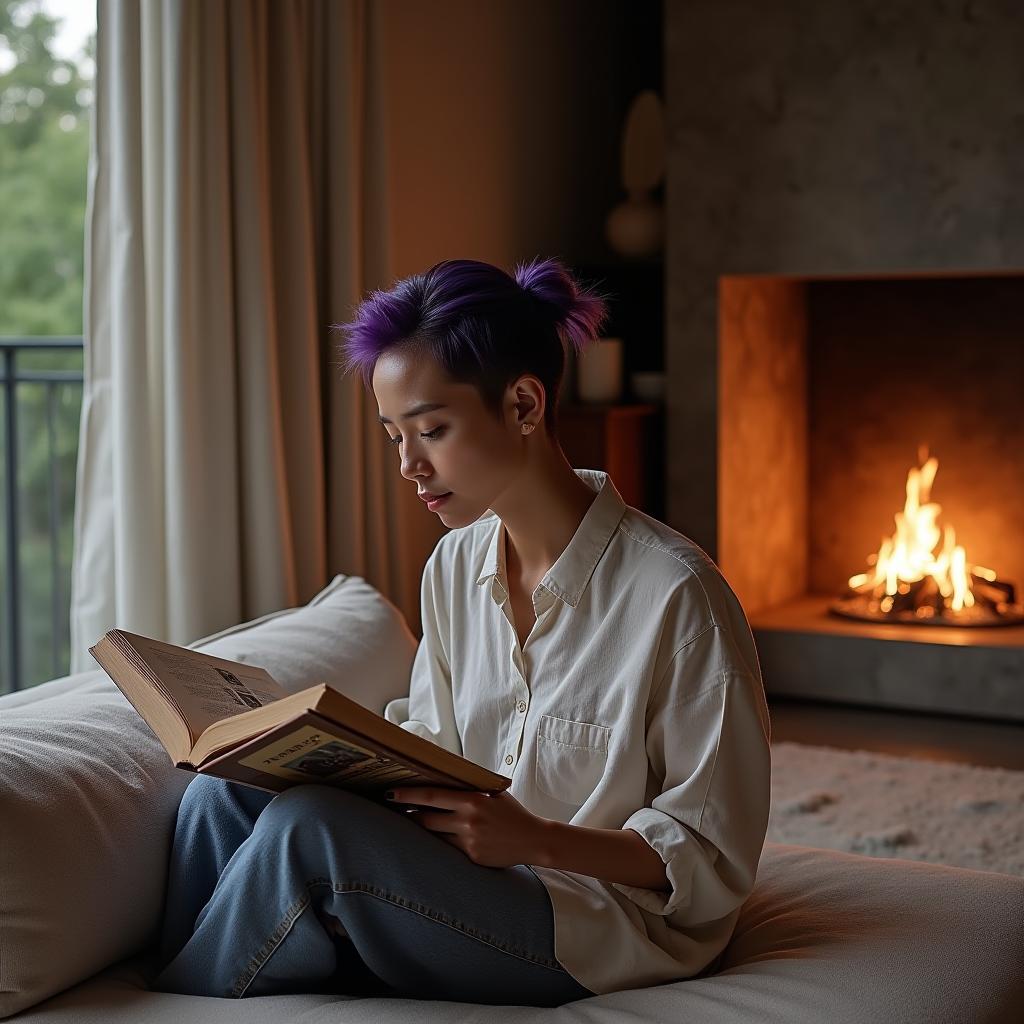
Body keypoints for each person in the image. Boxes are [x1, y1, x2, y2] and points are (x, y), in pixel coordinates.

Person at [150, 256, 771, 1004]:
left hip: (598, 920)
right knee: (220, 797)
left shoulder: (677, 594)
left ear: (524, 405)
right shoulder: (453, 567)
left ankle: (165, 1011)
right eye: (393, 438)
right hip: (472, 876)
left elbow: (712, 855)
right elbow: (436, 753)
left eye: (432, 430)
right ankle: (190, 983)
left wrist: (534, 840)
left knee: (308, 831)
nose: (410, 465)